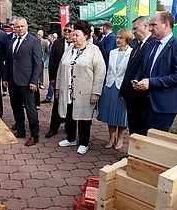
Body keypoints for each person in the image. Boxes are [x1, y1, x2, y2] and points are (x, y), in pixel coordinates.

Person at [133, 12, 177, 135]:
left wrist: (151, 82)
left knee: (154, 141)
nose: (149, 28)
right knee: (141, 138)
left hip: (164, 105)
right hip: (144, 101)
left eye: (153, 25)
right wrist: (137, 80)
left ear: (166, 25)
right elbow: (143, 68)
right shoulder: (150, 44)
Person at [56, 20, 106, 154]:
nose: (74, 38)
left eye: (77, 35)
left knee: (84, 118)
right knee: (70, 114)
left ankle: (84, 142)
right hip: (68, 90)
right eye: (73, 35)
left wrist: (96, 92)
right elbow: (61, 69)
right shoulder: (69, 49)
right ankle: (71, 138)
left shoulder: (93, 50)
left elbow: (100, 72)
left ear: (86, 36)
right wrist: (58, 87)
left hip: (85, 90)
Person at [3, 17, 41, 147]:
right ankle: (21, 130)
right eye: (17, 26)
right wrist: (5, 78)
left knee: (31, 109)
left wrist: (34, 81)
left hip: (27, 82)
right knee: (16, 107)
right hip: (12, 81)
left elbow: (37, 64)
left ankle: (34, 135)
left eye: (22, 26)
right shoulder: (11, 41)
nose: (19, 29)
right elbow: (8, 61)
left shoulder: (34, 41)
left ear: (27, 26)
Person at [97, 28, 133, 150]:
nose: (117, 40)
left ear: (127, 39)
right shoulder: (112, 52)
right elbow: (108, 70)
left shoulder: (132, 53)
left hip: (123, 87)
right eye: (117, 37)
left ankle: (120, 139)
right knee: (110, 114)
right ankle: (111, 138)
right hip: (110, 86)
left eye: (121, 38)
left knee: (122, 115)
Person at [119, 16, 154, 135]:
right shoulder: (136, 46)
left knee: (141, 130)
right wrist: (123, 90)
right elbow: (129, 70)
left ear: (146, 26)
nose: (133, 32)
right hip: (131, 96)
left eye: (135, 28)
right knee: (133, 128)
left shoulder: (153, 45)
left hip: (142, 96)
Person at [45, 22, 74, 138]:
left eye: (69, 30)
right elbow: (52, 62)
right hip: (59, 80)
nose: (66, 32)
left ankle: (69, 126)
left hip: (72, 81)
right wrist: (52, 78)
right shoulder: (57, 43)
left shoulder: (79, 44)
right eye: (65, 30)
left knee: (71, 104)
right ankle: (53, 127)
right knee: (57, 104)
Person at [41, 33, 58, 103]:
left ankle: (49, 97)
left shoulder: (56, 44)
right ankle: (49, 97)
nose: (48, 39)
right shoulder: (51, 44)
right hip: (51, 65)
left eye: (49, 38)